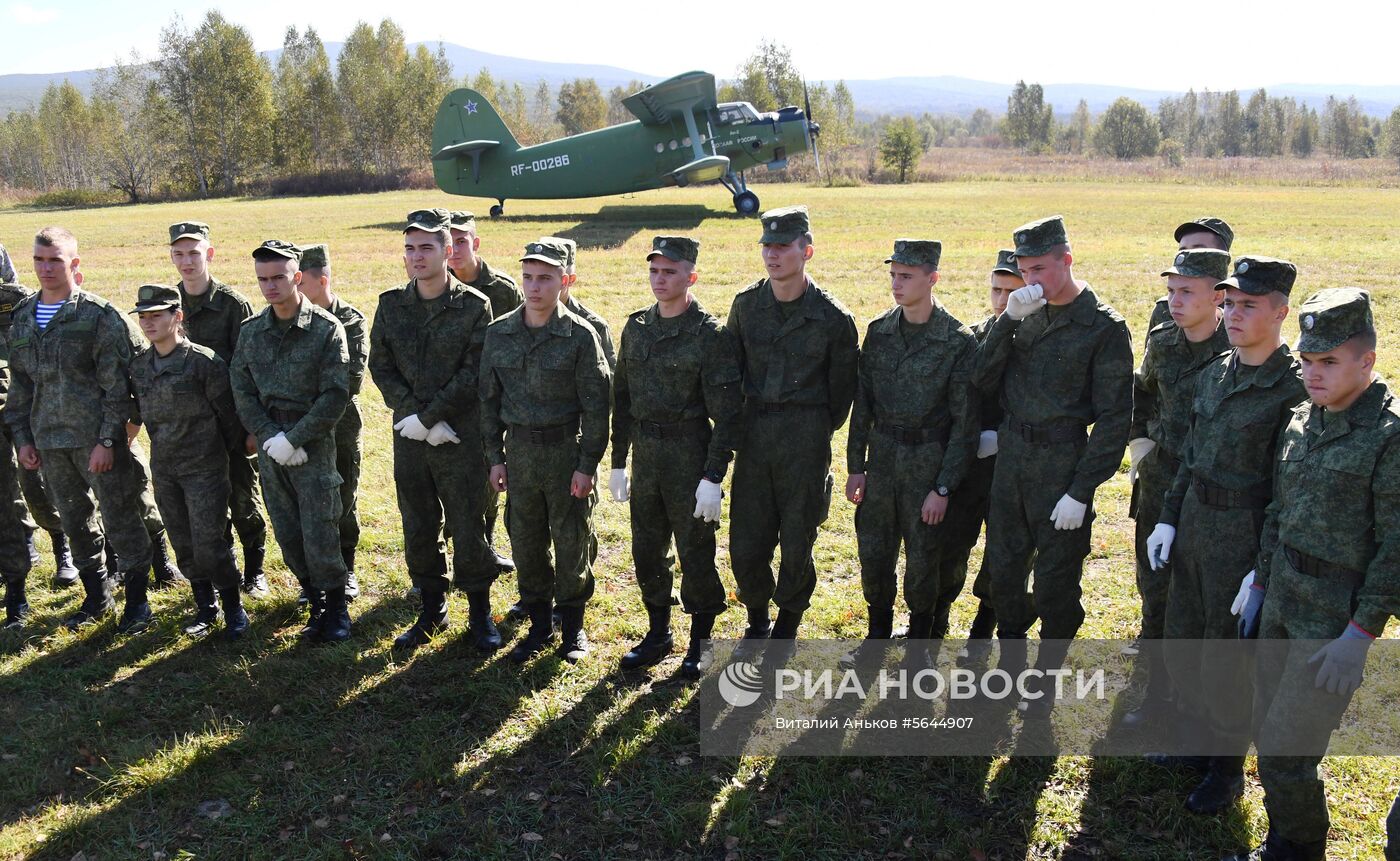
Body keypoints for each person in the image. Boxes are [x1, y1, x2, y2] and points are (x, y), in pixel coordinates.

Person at [1225, 288, 1397, 861]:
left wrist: (1360, 634)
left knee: (1286, 748)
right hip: (1282, 597)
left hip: (1332, 617)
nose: (1313, 374)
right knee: (1266, 730)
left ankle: (1298, 849)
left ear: (1366, 361)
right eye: (1306, 361)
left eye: (1329, 362)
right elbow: (1280, 509)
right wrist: (1259, 582)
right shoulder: (1304, 419)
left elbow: (1396, 548)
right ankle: (1285, 841)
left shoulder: (1389, 438)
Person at [1146, 256, 1305, 814]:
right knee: (1185, 638)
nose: (1234, 315)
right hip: (1193, 521)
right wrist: (1168, 514)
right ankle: (1195, 742)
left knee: (1228, 659)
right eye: (1230, 303)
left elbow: (1286, 492)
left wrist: (1260, 570)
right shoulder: (1218, 370)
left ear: (1281, 312)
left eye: (1249, 306)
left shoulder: (1292, 390)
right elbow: (1190, 454)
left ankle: (1225, 770)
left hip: (1242, 534)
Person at [971, 215, 1133, 717]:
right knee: (1003, 573)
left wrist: (1082, 490)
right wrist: (1008, 322)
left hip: (1062, 463)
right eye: (1023, 269)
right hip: (1013, 459)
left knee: (1057, 585)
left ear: (1067, 259)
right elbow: (979, 377)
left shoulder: (1102, 326)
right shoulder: (1025, 312)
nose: (1031, 279)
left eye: (1040, 267)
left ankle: (1045, 681)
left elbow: (1114, 419)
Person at [4, 227, 154, 632]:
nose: (46, 268)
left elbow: (118, 386)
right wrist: (23, 439)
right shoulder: (22, 319)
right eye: (39, 260)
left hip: (97, 441)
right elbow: (20, 388)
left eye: (55, 260)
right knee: (75, 521)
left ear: (74, 263)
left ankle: (138, 601)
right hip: (49, 443)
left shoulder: (98, 316)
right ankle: (96, 595)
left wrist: (109, 439)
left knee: (121, 517)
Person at [726, 205, 859, 647]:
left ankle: (787, 623)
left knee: (798, 538)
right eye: (767, 245)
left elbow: (841, 395)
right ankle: (757, 616)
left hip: (805, 439)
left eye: (783, 246)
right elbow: (732, 373)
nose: (772, 254)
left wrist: (811, 426)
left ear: (807, 251)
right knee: (747, 541)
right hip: (755, 437)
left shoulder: (833, 318)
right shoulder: (746, 306)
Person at [609, 235, 741, 676]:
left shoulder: (710, 334)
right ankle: (659, 632)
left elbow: (727, 414)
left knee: (695, 551)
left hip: (689, 453)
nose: (660, 279)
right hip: (646, 454)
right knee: (647, 549)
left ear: (691, 276)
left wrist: (713, 475)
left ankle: (701, 642)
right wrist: (617, 461)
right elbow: (622, 398)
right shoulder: (636, 327)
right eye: (654, 270)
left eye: (669, 271)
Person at [369, 210, 500, 651]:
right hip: (410, 439)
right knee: (418, 525)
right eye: (410, 248)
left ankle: (480, 615)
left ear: (448, 251)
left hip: (460, 437)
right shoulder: (391, 305)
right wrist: (414, 417)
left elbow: (475, 371)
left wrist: (432, 416)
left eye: (427, 247)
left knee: (468, 526)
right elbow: (381, 366)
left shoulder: (474, 306)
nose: (417, 256)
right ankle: (432, 610)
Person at [479, 238, 610, 663]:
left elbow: (596, 406)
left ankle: (572, 630)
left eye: (546, 278)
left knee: (571, 541)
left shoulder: (580, 336)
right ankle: (537, 626)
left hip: (563, 454)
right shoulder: (498, 333)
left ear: (564, 281)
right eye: (529, 277)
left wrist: (587, 465)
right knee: (526, 544)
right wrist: (495, 457)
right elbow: (488, 402)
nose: (534, 287)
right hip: (519, 454)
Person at [845, 239, 975, 655]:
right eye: (893, 276)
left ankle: (921, 643)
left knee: (923, 558)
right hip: (882, 459)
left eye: (907, 276)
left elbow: (964, 424)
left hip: (927, 460)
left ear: (931, 279)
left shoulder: (957, 341)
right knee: (874, 550)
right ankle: (877, 634)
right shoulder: (879, 332)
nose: (897, 285)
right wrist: (855, 466)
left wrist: (943, 487)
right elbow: (861, 405)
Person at [1120, 248, 1231, 728]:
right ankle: (1157, 697)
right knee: (1155, 593)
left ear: (1218, 296)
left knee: (1203, 604)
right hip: (1160, 479)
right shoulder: (1163, 339)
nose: (1175, 301)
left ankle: (1203, 709)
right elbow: (1142, 393)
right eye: (1171, 291)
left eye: (1187, 291)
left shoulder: (1237, 351)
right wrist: (1142, 445)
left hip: (1213, 495)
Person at [229, 240, 351, 642]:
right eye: (262, 279)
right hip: (270, 444)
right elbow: (242, 389)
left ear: (297, 277)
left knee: (320, 527)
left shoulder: (325, 328)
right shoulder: (252, 332)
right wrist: (269, 436)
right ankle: (312, 598)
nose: (270, 286)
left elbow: (335, 393)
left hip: (313, 442)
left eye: (278, 277)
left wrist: (296, 437)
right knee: (287, 528)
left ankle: (335, 608)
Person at [128, 284, 248, 639]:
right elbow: (136, 415)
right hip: (165, 469)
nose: (149, 323)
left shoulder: (203, 363)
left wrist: (217, 457)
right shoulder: (139, 368)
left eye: (157, 316)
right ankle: (205, 608)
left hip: (205, 468)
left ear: (177, 317)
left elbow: (229, 418)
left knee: (211, 543)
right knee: (183, 541)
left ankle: (233, 609)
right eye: (144, 317)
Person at [168, 221, 267, 597]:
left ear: (209, 254)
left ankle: (255, 571)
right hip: (191, 428)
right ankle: (223, 572)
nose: (187, 261)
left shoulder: (232, 304)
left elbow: (249, 367)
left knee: (244, 500)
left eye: (194, 253)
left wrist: (250, 426)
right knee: (206, 506)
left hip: (231, 423)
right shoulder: (170, 303)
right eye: (179, 254)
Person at [935, 250, 1021, 649]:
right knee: (951, 543)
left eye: (1011, 291)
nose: (1002, 300)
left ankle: (983, 630)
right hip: (970, 462)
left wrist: (1004, 438)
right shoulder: (974, 335)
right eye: (996, 289)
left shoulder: (1039, 340)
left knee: (1003, 551)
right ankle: (936, 622)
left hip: (1017, 465)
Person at [448, 210, 521, 576]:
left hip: (489, 402)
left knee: (487, 477)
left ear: (475, 243)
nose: (454, 249)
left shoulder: (503, 290)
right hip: (446, 402)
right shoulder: (432, 284)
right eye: (448, 241)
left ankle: (485, 547)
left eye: (461, 240)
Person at [297, 244, 366, 601]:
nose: (295, 290)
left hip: (339, 427)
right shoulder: (290, 320)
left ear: (322, 281)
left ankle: (347, 569)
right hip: (300, 431)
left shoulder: (350, 321)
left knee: (342, 500)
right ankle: (310, 578)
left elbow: (348, 381)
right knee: (305, 505)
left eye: (302, 283)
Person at [0, 277, 75, 587]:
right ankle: (20, 548)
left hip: (22, 401)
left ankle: (62, 547)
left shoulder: (15, 299)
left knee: (36, 484)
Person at [1145, 217, 1235, 333]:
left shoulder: (1239, 309)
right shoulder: (1165, 308)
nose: (1189, 257)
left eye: (1199, 251)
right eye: (1183, 251)